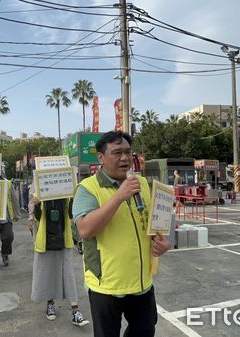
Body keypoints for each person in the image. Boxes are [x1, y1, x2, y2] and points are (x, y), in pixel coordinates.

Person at [73, 131, 171, 337]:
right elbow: (85, 229)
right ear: (101, 158)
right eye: (117, 153)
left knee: (145, 330)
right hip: (107, 285)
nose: (125, 158)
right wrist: (118, 197)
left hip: (142, 282)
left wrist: (162, 242)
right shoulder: (88, 188)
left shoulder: (141, 183)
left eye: (128, 152)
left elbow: (151, 223)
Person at [30, 194, 90, 326]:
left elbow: (70, 214)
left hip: (64, 239)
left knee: (68, 276)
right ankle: (50, 303)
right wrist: (37, 204)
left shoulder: (67, 191)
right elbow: (38, 217)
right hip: (46, 241)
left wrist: (73, 197)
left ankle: (75, 311)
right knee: (49, 274)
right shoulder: (40, 192)